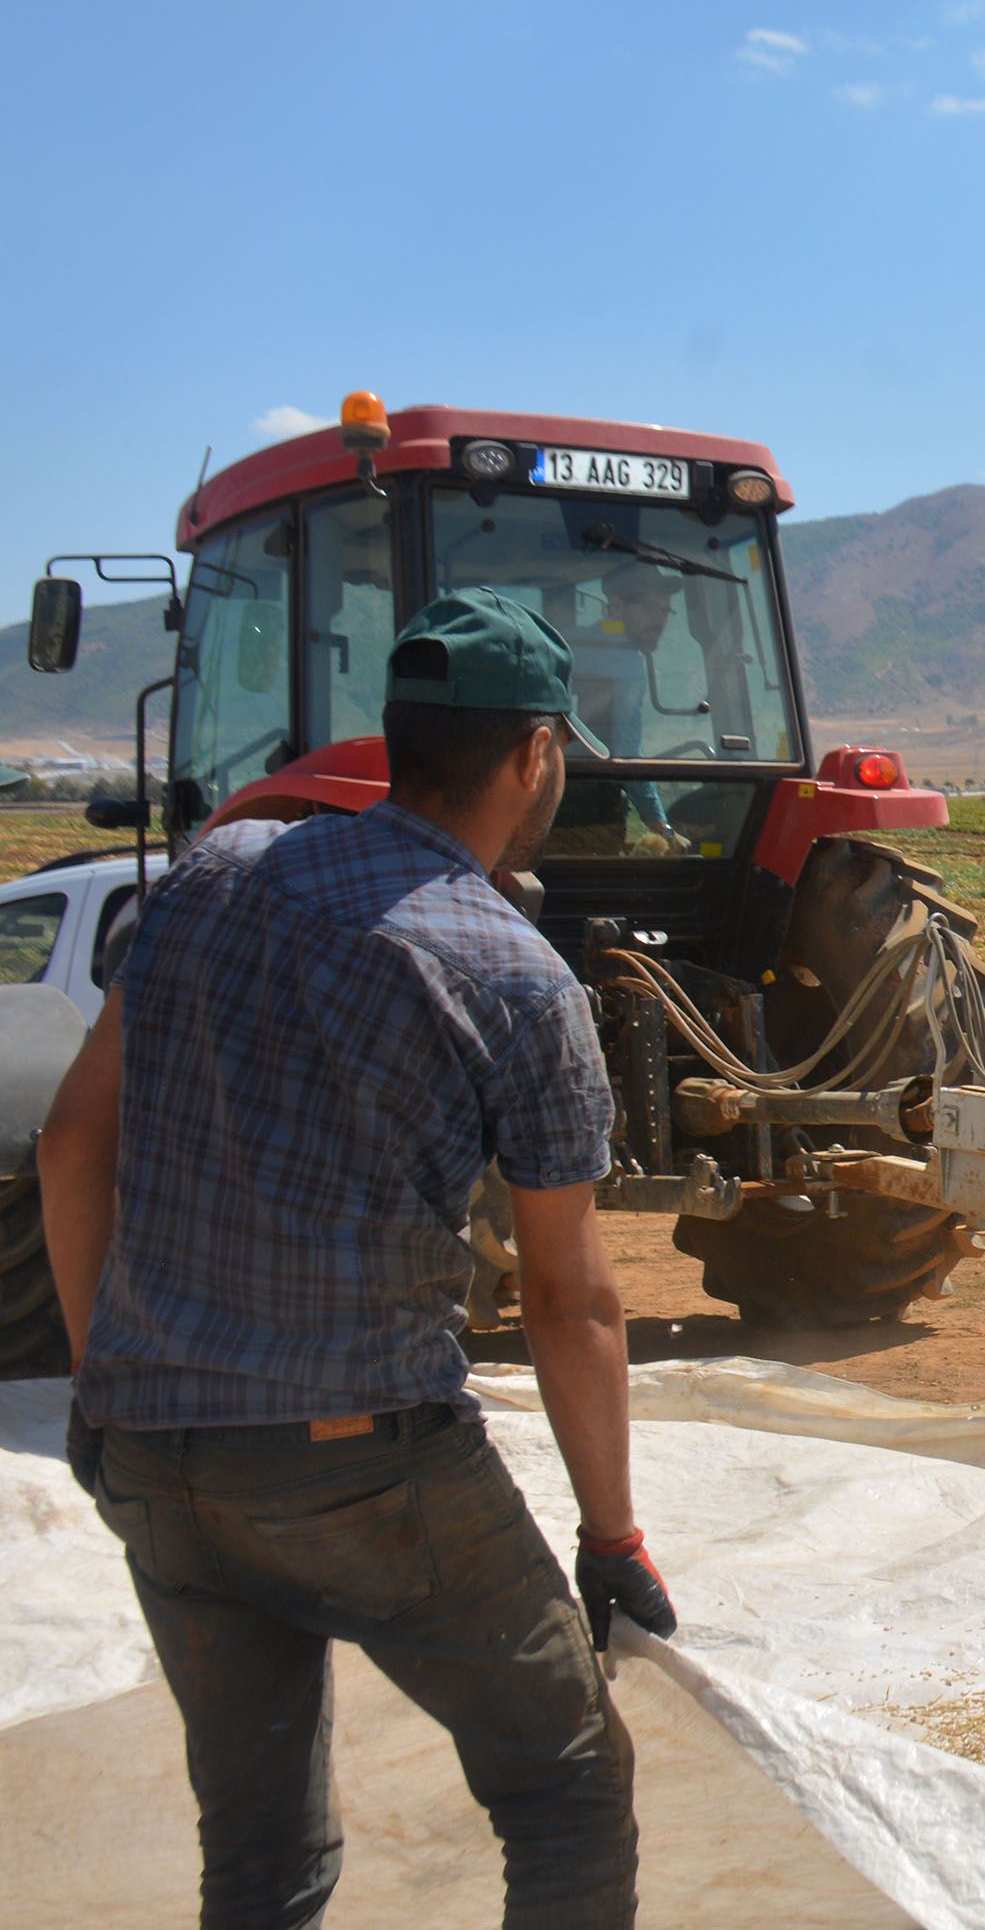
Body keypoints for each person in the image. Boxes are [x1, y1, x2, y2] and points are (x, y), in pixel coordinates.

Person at [41, 589, 676, 1929]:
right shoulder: (515, 976)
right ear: (532, 755)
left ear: (398, 738)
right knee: (566, 1789)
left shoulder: (212, 876)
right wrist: (611, 1530)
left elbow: (67, 1145)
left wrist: (110, 1385)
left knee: (260, 1858)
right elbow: (571, 1296)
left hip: (159, 1458)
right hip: (367, 1466)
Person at [566, 562, 691, 855]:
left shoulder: (567, 642)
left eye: (664, 611)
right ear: (617, 607)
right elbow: (628, 755)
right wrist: (660, 826)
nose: (659, 621)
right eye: (650, 609)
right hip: (586, 815)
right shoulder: (626, 662)